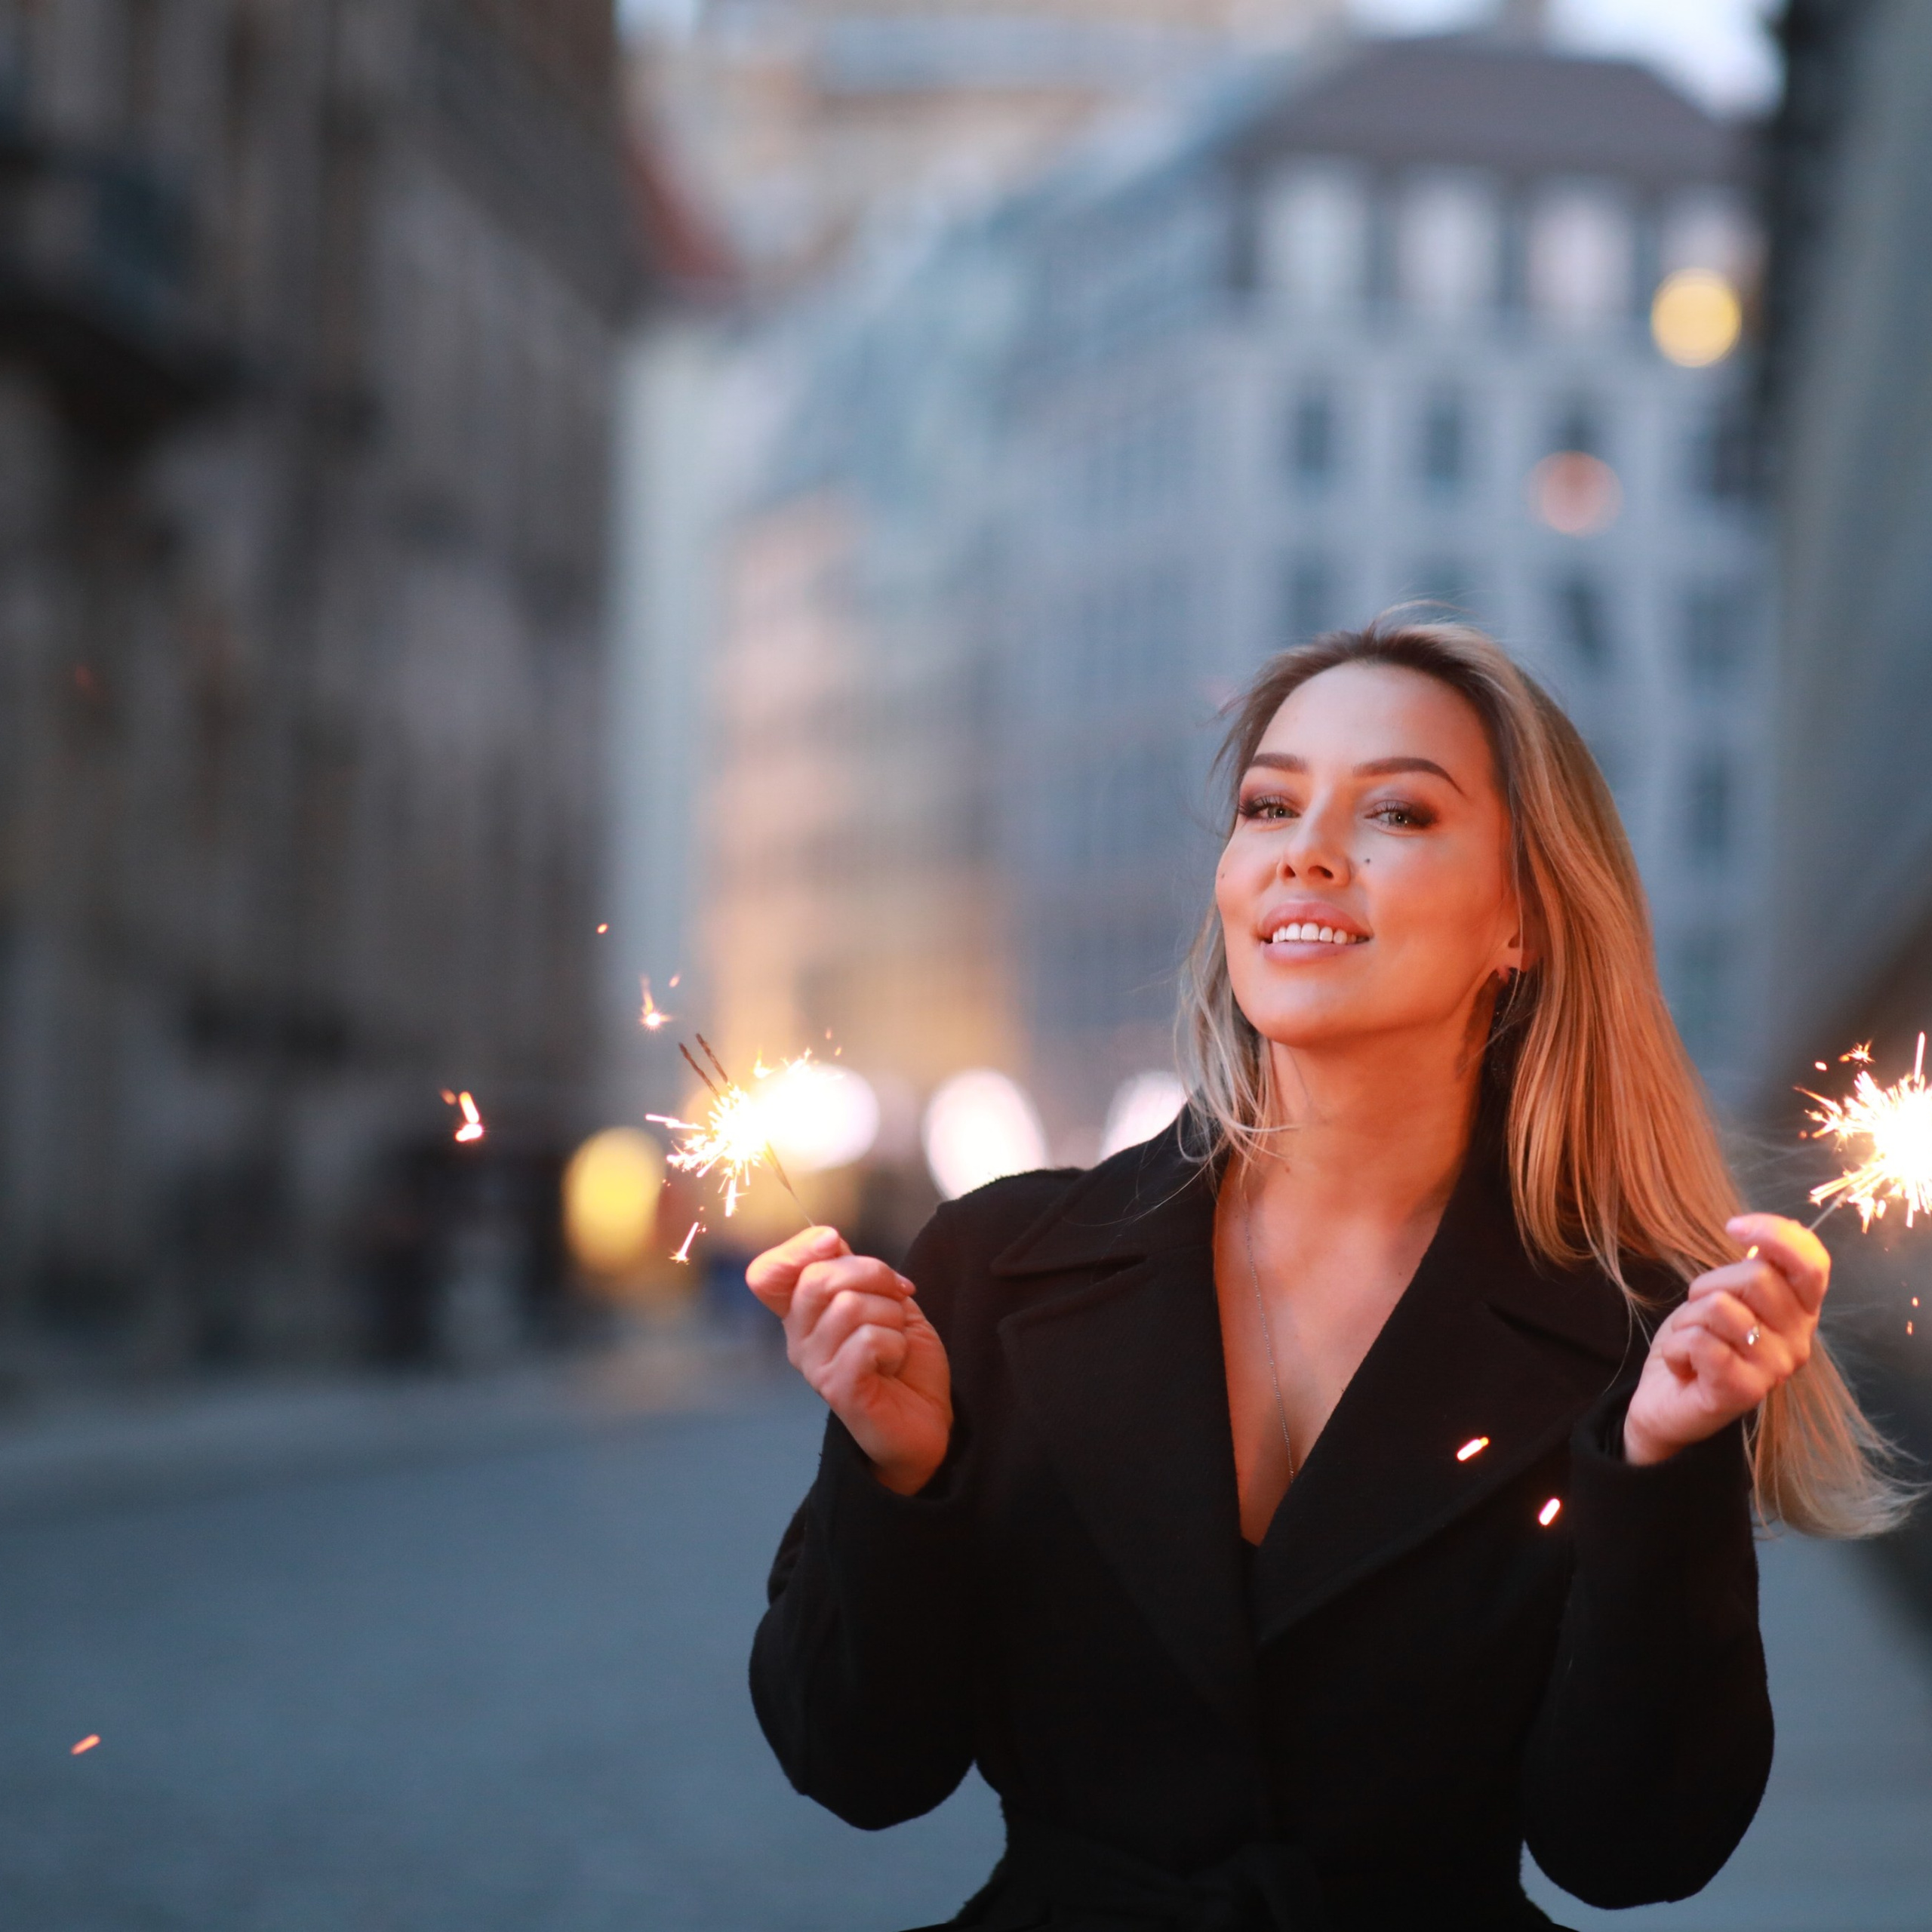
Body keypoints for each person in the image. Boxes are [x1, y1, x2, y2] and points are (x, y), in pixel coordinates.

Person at [745, 623, 1906, 1931]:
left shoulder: (1637, 1331)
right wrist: (897, 1479)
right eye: (1270, 804)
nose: (1305, 849)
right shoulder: (996, 1268)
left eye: (1398, 810)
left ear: (1520, 916)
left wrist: (1662, 1477)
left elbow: (1630, 1850)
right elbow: (857, 1766)